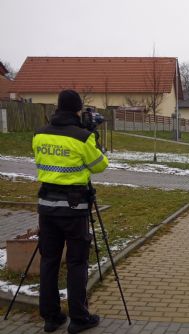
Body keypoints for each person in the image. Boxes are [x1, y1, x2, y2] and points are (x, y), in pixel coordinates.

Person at [32, 90, 108, 333]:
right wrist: (93, 139)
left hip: (47, 208)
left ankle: (51, 317)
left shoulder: (39, 135)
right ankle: (78, 318)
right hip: (74, 209)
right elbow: (99, 166)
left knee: (49, 261)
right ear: (77, 110)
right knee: (76, 262)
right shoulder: (82, 137)